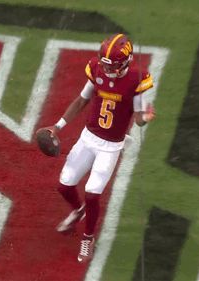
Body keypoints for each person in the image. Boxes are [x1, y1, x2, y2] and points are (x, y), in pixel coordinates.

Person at [41, 33, 156, 262]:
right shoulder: (97, 69)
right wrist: (58, 126)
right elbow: (82, 100)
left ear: (126, 61)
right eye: (104, 64)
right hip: (88, 137)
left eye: (111, 65)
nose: (107, 69)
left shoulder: (136, 78)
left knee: (93, 194)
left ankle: (88, 237)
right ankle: (78, 210)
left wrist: (146, 117)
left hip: (110, 146)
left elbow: (139, 117)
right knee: (64, 186)